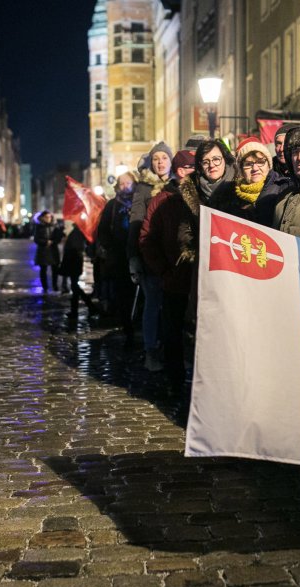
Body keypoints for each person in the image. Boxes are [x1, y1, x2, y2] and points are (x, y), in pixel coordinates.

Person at [139, 150, 198, 398]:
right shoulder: (161, 200)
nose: (188, 173)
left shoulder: (205, 196)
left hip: (201, 278)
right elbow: (147, 238)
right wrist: (163, 270)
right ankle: (175, 381)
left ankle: (198, 380)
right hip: (174, 278)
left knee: (198, 332)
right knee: (172, 332)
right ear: (177, 171)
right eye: (184, 168)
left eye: (192, 168)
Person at [129, 142, 174, 372]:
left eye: (164, 158)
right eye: (156, 159)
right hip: (150, 254)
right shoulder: (144, 187)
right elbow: (136, 222)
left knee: (171, 307)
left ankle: (169, 350)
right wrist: (134, 257)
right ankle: (150, 350)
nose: (160, 162)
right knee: (153, 304)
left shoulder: (178, 184)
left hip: (173, 257)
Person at [208, 137, 289, 226]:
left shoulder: (284, 190)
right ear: (241, 170)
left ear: (268, 165)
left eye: (260, 162)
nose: (255, 168)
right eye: (248, 164)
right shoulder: (226, 195)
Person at [98, 171, 138, 343]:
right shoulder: (113, 205)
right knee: (123, 294)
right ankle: (127, 327)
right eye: (121, 183)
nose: (125, 186)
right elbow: (103, 230)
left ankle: (136, 325)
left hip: (138, 254)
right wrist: (110, 247)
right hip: (119, 257)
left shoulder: (139, 203)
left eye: (128, 183)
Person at [60, 222, 97, 323]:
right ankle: (82, 308)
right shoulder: (76, 232)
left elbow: (77, 247)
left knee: (75, 286)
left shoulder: (78, 232)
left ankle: (87, 307)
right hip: (73, 260)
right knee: (74, 286)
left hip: (73, 261)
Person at [33, 210, 60, 293]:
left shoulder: (55, 226)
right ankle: (45, 287)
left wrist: (53, 242)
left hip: (53, 250)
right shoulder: (39, 226)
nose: (48, 219)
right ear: (42, 218)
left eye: (49, 217)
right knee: (43, 269)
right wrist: (45, 242)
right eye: (46, 217)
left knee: (55, 269)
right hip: (43, 251)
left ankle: (55, 286)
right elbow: (36, 239)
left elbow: (58, 237)